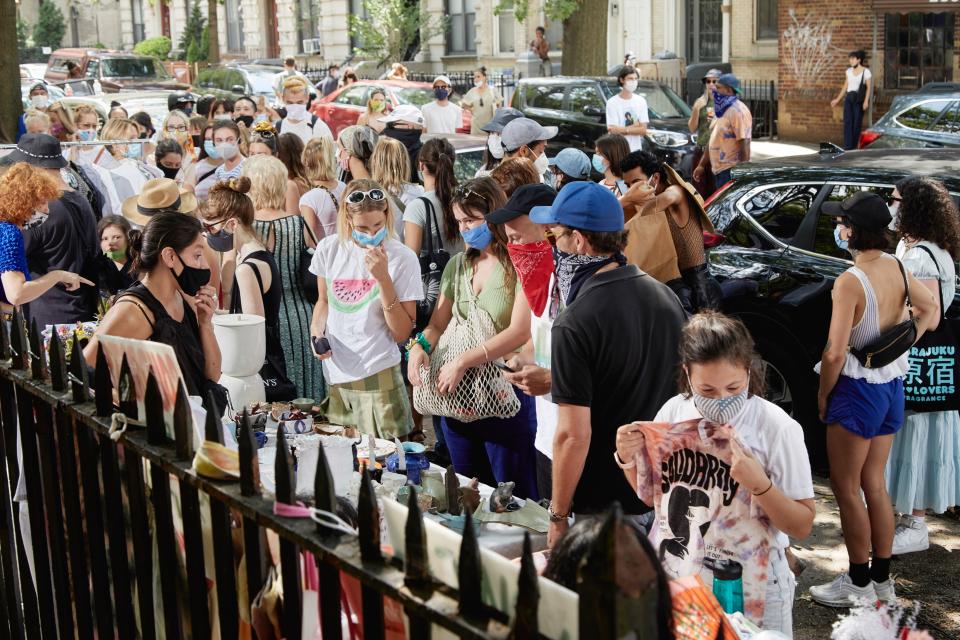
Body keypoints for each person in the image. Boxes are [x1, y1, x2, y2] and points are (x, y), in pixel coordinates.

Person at [616, 311, 815, 636]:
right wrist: (627, 457)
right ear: (687, 374)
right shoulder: (674, 411)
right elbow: (653, 498)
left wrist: (760, 486)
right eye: (707, 390)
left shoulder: (776, 428)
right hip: (686, 580)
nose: (721, 399)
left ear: (749, 372)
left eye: (733, 387)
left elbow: (802, 524)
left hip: (754, 584)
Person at [527, 181, 686, 546]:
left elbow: (572, 435)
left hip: (604, 506)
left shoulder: (574, 322)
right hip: (663, 494)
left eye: (556, 239)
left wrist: (558, 515)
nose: (554, 250)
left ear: (579, 241)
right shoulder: (665, 298)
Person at [809, 191, 937, 607]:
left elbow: (833, 351)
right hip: (890, 388)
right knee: (875, 485)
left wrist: (824, 395)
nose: (839, 228)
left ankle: (857, 583)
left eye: (842, 222)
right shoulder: (898, 265)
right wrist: (901, 342)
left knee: (847, 489)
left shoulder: (850, 281)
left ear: (853, 231)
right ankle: (881, 581)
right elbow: (930, 309)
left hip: (855, 389)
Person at [407, 177, 538, 498]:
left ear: (493, 215)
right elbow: (437, 325)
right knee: (466, 496)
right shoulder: (457, 266)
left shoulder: (519, 265)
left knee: (515, 501)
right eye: (460, 221)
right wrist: (419, 347)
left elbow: (520, 331)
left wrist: (464, 361)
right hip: (458, 401)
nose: (465, 229)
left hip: (505, 394)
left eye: (472, 220)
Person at [310, 179, 423, 438]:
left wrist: (383, 279)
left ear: (387, 216)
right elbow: (324, 301)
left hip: (379, 374)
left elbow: (402, 332)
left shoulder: (403, 257)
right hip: (337, 376)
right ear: (347, 220)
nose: (371, 234)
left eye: (378, 226)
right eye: (362, 227)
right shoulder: (329, 249)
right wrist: (317, 333)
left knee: (388, 469)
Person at [83, 211, 225, 415]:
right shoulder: (134, 309)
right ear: (169, 256)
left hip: (194, 426)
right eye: (197, 255)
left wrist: (205, 324)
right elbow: (86, 367)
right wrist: (142, 409)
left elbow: (211, 375)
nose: (203, 265)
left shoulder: (183, 297)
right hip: (161, 437)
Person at [885, 177, 960, 555]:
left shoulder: (920, 255)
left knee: (914, 433)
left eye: (895, 200)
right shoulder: (921, 247)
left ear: (911, 207)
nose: (890, 205)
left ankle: (914, 522)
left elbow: (926, 317)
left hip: (918, 355)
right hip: (920, 355)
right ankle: (906, 517)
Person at [487, 183, 559, 499]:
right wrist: (521, 360)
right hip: (547, 438)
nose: (513, 247)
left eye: (517, 238)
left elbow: (612, 368)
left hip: (580, 440)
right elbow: (538, 342)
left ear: (549, 229)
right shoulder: (541, 279)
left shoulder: (585, 286)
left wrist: (555, 381)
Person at [203, 177, 290, 399]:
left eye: (210, 227)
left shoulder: (246, 269)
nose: (207, 234)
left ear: (232, 224)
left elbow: (251, 331)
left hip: (256, 376)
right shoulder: (258, 254)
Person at [248, 155, 325, 400]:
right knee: (305, 383)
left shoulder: (246, 228)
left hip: (261, 315)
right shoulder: (298, 223)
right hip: (302, 314)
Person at [5, 134, 100, 330]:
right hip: (84, 311)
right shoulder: (81, 200)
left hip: (45, 319)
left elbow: (14, 283)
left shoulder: (39, 210)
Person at [620, 150, 719, 311]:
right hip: (678, 286)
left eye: (636, 183)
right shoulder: (647, 202)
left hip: (700, 289)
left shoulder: (675, 192)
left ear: (656, 178)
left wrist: (626, 200)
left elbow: (662, 201)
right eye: (628, 186)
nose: (632, 190)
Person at [0, 163, 92, 309]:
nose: (47, 209)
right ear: (24, 202)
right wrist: (57, 276)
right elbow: (16, 294)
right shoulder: (9, 233)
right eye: (43, 203)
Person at [402, 137, 463, 256]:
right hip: (464, 271)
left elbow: (411, 258)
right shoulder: (464, 197)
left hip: (435, 274)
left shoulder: (418, 207)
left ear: (421, 165)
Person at [694, 73, 752, 188]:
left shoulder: (738, 111)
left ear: (728, 90)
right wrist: (701, 165)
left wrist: (743, 172)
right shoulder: (721, 110)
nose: (714, 89)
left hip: (730, 172)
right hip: (719, 171)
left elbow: (744, 142)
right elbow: (712, 139)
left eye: (718, 87)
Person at [370, 137, 424, 233]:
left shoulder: (369, 196)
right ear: (404, 162)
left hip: (380, 248)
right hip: (409, 247)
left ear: (375, 162)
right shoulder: (419, 192)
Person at [300, 136, 344, 239]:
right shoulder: (344, 186)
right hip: (346, 249)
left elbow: (309, 239)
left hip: (325, 252)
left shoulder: (309, 199)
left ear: (306, 162)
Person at [688, 68, 722, 197]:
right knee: (698, 189)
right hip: (701, 149)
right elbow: (692, 128)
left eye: (715, 81)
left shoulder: (724, 102)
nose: (711, 84)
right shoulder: (700, 101)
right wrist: (697, 108)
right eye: (708, 81)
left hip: (717, 152)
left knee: (715, 190)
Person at [830, 50, 873, 151]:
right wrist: (837, 99)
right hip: (849, 98)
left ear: (859, 60)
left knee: (857, 123)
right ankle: (848, 145)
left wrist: (866, 101)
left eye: (853, 59)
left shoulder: (866, 72)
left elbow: (869, 88)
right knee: (848, 122)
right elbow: (845, 86)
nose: (851, 61)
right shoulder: (848, 71)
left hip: (858, 100)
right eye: (850, 59)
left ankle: (854, 145)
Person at [605, 65, 649, 152]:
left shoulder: (641, 101)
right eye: (630, 78)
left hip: (636, 151)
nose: (634, 81)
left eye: (635, 79)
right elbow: (613, 131)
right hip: (618, 151)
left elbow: (643, 130)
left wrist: (622, 129)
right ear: (622, 80)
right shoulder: (612, 102)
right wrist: (635, 126)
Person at [277, 76, 333, 145]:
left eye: (299, 102)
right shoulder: (278, 127)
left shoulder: (318, 127)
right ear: (283, 99)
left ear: (307, 98)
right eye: (290, 103)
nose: (295, 107)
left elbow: (329, 153)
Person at [378, 105, 425, 183]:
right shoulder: (383, 151)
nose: (387, 129)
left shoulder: (425, 157)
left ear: (409, 126)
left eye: (391, 125)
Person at [476, 107, 524, 177]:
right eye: (492, 133)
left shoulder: (526, 174)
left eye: (499, 134)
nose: (494, 138)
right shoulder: (483, 171)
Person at [96, 215, 137, 295]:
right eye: (105, 239)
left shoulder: (140, 265)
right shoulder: (97, 268)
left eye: (116, 237)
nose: (110, 243)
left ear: (128, 239)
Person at [184, 122, 224, 200]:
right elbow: (187, 192)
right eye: (208, 139)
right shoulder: (197, 167)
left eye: (217, 139)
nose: (212, 142)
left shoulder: (236, 165)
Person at [461, 67, 503, 135]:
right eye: (474, 77)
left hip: (489, 129)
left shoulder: (492, 90)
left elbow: (499, 105)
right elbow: (463, 105)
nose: (476, 79)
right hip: (476, 128)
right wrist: (471, 110)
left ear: (484, 77)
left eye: (478, 77)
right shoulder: (472, 91)